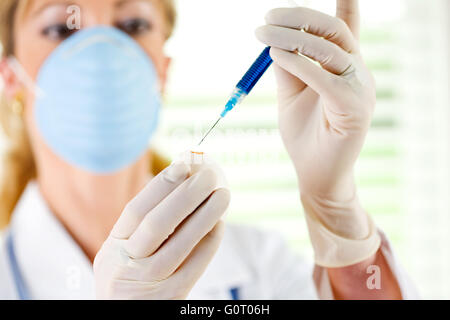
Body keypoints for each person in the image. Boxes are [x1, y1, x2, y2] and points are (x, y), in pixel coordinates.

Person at [0, 0, 416, 300]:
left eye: (131, 25)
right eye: (61, 28)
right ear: (9, 77)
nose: (102, 54)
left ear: (163, 71)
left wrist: (335, 206)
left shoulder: (257, 269)